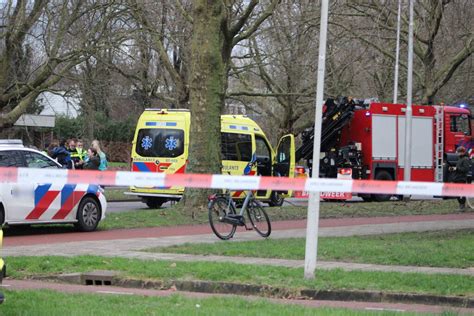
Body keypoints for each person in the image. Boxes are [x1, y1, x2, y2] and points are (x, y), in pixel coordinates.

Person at [451, 146, 471, 211]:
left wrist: (456, 169)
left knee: (461, 193)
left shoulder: (465, 159)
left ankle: (462, 206)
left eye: (459, 152)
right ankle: (461, 205)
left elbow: (465, 169)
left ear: (462, 152)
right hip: (457, 178)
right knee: (457, 193)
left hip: (461, 178)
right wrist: (454, 169)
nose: (457, 153)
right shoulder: (460, 158)